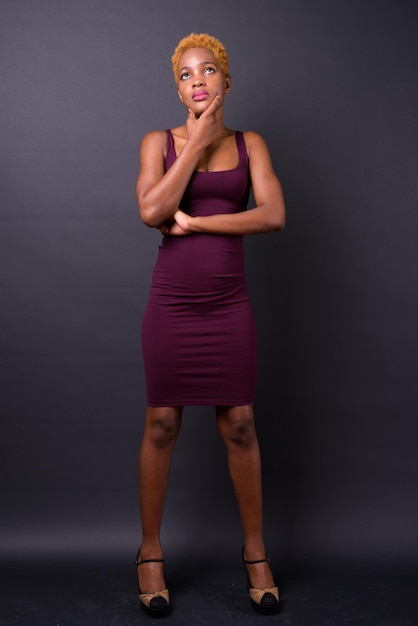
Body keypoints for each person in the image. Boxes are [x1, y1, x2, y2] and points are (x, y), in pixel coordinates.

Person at [134, 33, 285, 617]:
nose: (197, 82)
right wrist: (195, 140)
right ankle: (149, 553)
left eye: (209, 71)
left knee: (241, 425)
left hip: (229, 303)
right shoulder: (158, 142)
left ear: (226, 80)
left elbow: (273, 215)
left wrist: (196, 224)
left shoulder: (252, 144)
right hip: (171, 304)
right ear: (178, 87)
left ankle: (255, 553)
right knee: (162, 423)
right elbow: (150, 211)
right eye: (186, 75)